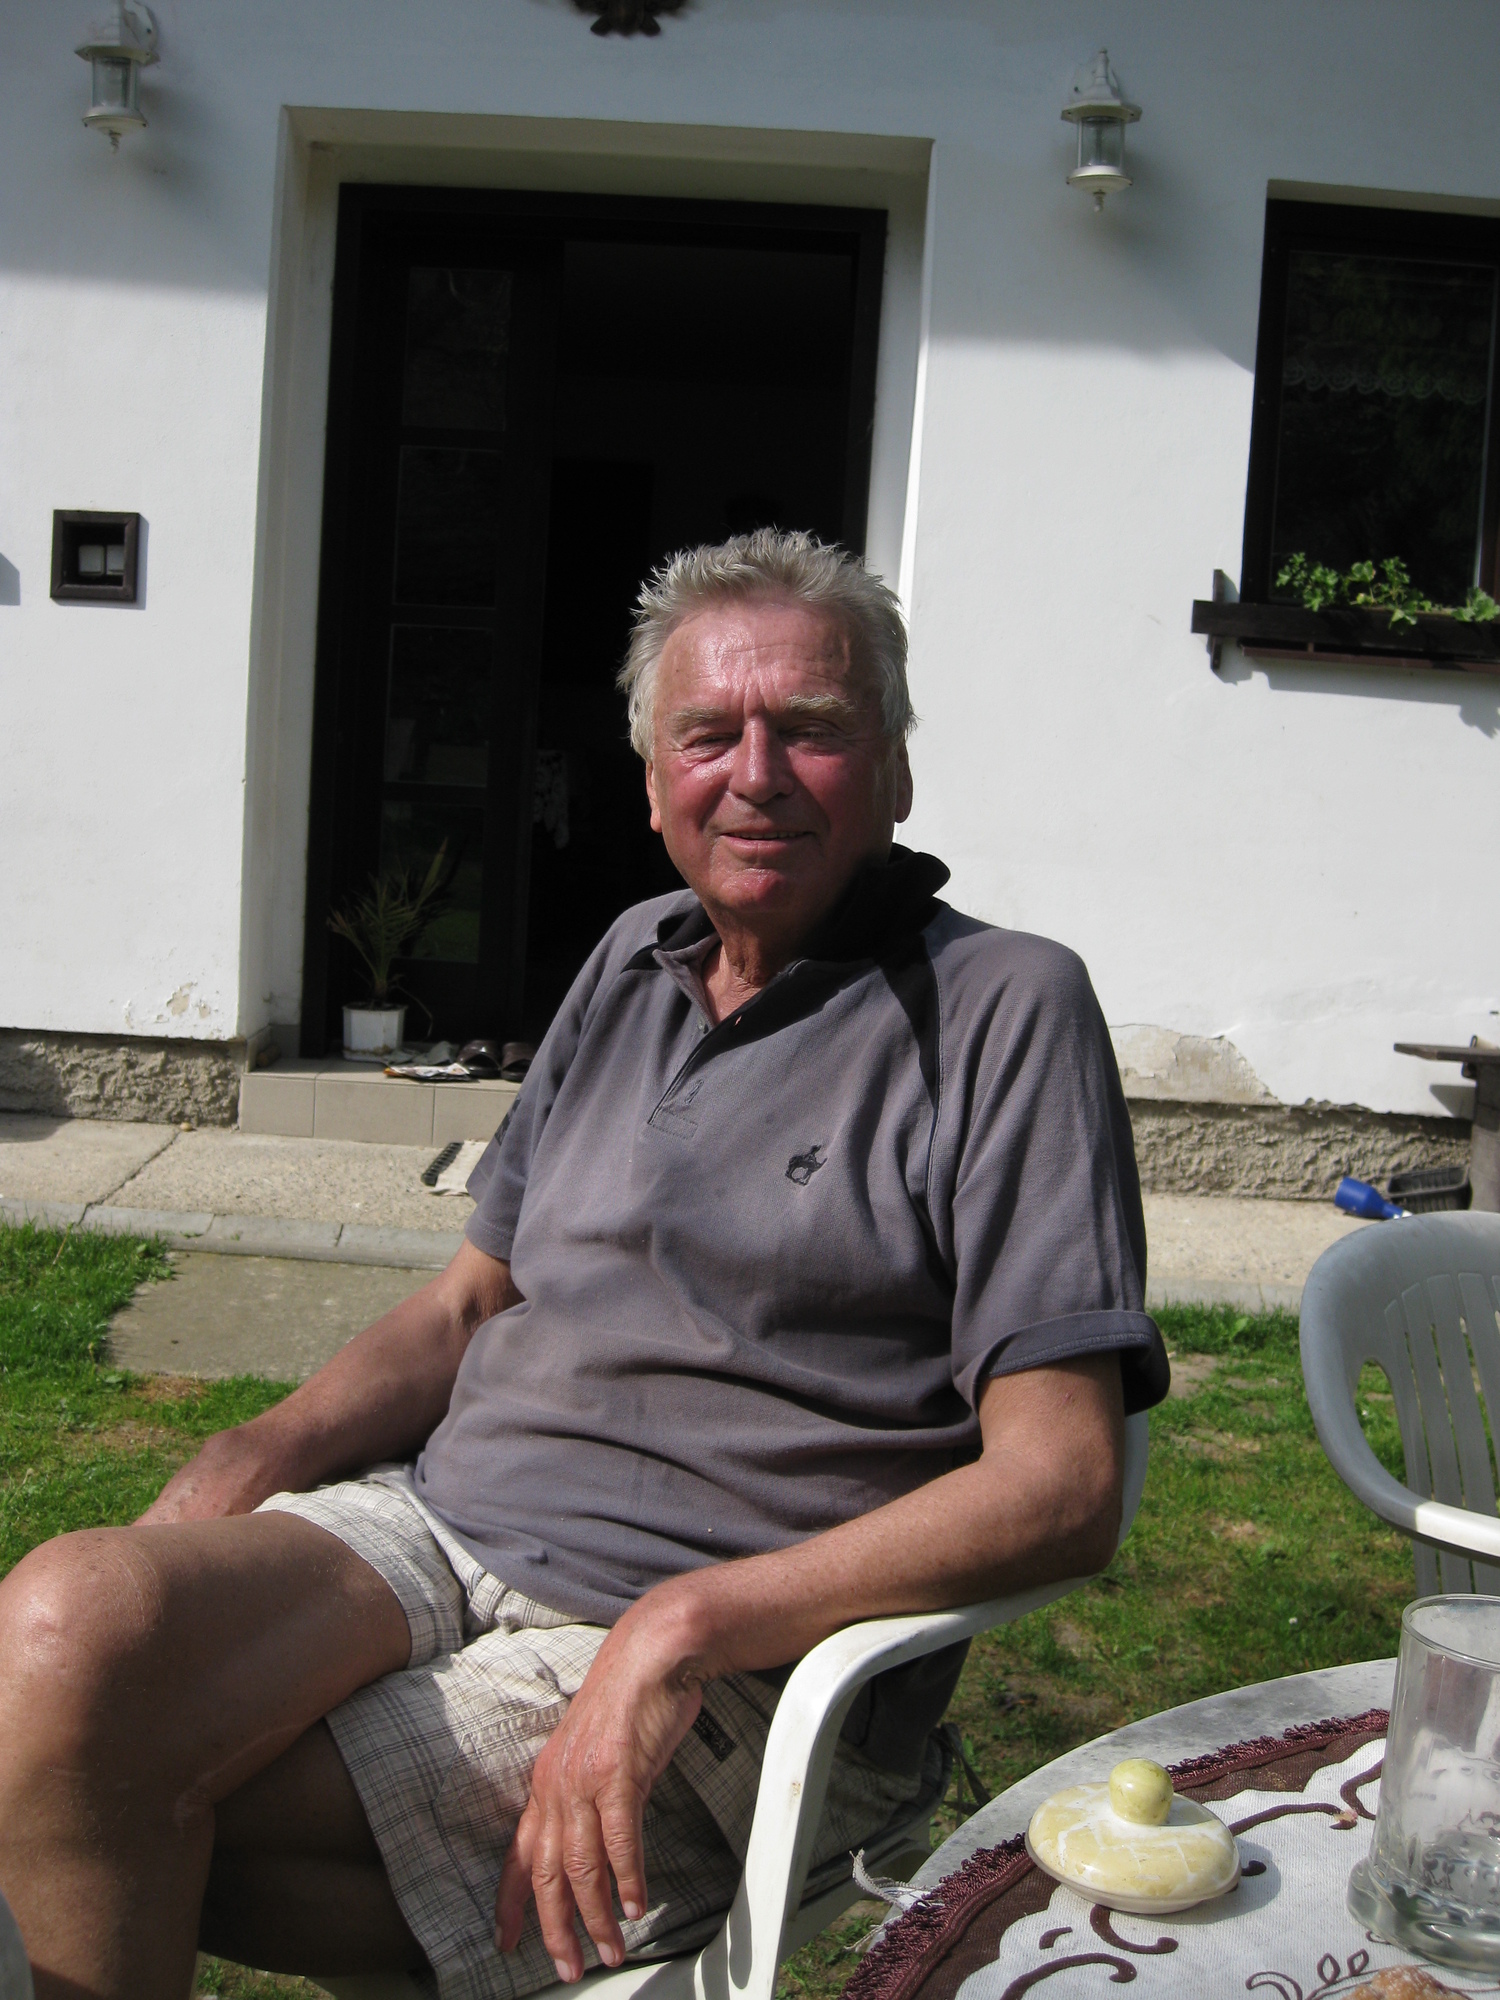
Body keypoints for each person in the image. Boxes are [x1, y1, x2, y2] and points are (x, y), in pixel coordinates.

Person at [0, 531, 1166, 2000]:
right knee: (65, 1634)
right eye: (708, 734)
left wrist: (686, 1624)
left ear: (896, 769)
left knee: (90, 1787)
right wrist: (257, 1448)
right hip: (443, 1525)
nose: (755, 774)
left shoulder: (1005, 1007)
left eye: (811, 729)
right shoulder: (632, 958)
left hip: (734, 1641)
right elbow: (469, 1300)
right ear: (652, 779)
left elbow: (1063, 1487)